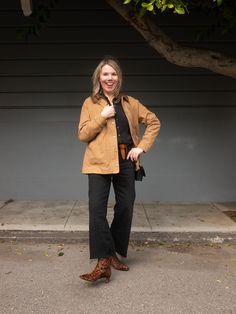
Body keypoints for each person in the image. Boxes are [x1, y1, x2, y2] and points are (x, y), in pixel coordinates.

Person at [78, 57, 161, 283]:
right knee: (97, 210)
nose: (109, 78)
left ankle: (112, 252)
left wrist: (141, 147)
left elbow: (153, 122)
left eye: (113, 74)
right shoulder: (90, 103)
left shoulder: (130, 103)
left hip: (125, 161)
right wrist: (101, 117)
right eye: (105, 74)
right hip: (98, 162)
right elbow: (83, 134)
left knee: (125, 206)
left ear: (118, 78)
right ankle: (103, 261)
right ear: (99, 78)